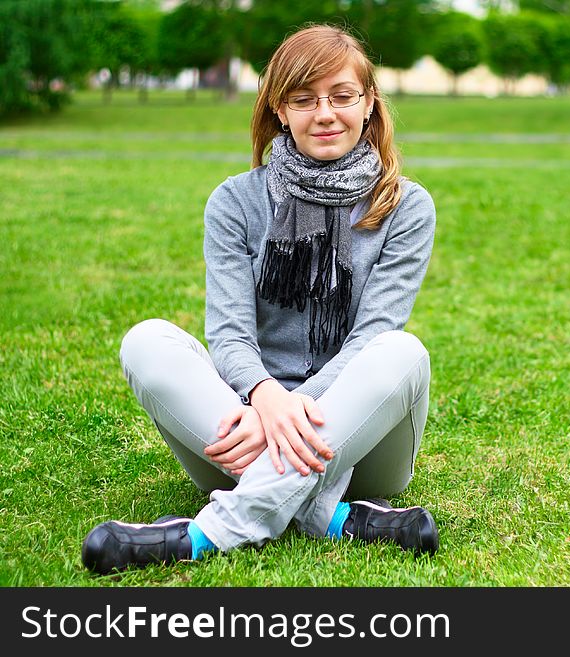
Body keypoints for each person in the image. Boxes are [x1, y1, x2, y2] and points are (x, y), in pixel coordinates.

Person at [81, 25, 438, 575]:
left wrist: (288, 413)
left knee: (401, 350)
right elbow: (229, 335)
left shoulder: (406, 207)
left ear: (368, 105)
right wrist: (263, 397)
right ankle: (330, 517)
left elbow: (371, 339)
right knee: (146, 341)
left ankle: (210, 533)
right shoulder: (235, 201)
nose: (325, 113)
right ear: (279, 108)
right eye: (304, 99)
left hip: (361, 448)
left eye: (343, 96)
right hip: (240, 431)